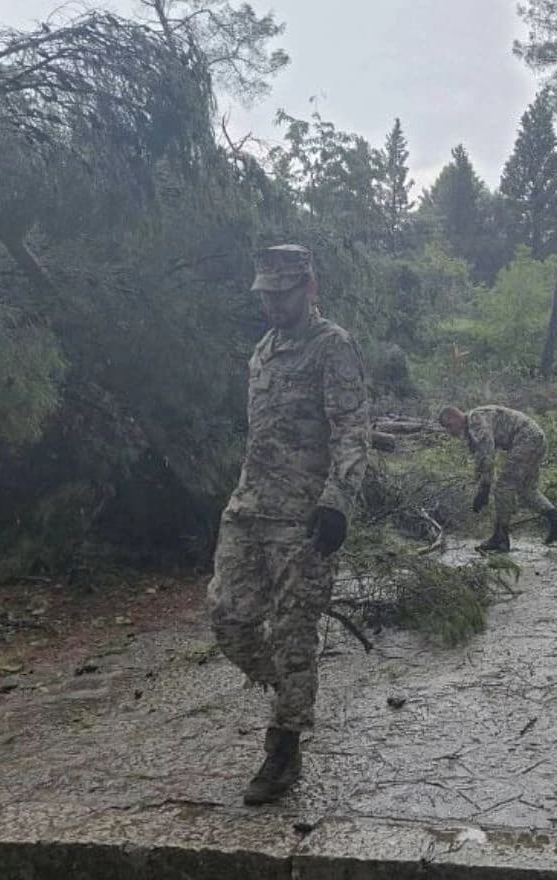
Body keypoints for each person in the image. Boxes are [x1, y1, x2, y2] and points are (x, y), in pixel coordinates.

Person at [207, 244, 370, 805]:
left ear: (309, 288)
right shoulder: (263, 351)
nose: (274, 303)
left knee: (295, 633)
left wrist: (337, 501)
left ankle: (284, 749)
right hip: (249, 509)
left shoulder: (333, 348)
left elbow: (351, 430)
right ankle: (289, 689)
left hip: (303, 518)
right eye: (266, 294)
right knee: (228, 619)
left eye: (284, 292)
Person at [439, 404, 557, 552]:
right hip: (535, 439)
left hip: (527, 439)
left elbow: (487, 454)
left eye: (449, 426)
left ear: (456, 416)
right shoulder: (472, 428)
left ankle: (500, 537)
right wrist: (482, 484)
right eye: (446, 428)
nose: (449, 431)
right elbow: (481, 459)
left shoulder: (475, 420)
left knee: (503, 487)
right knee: (527, 489)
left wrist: (484, 489)